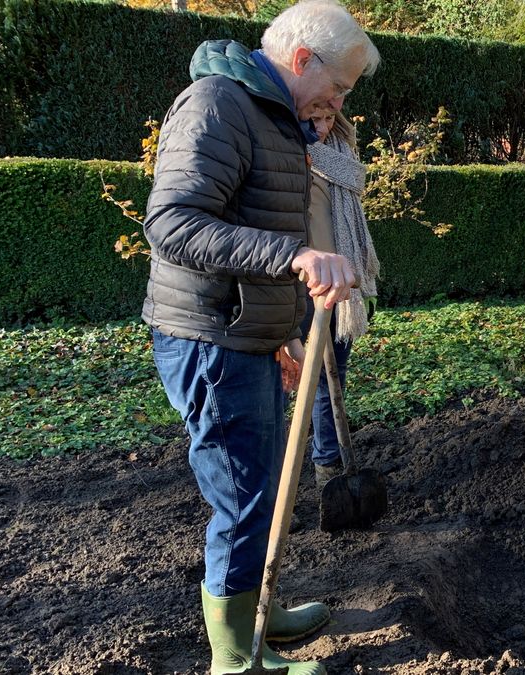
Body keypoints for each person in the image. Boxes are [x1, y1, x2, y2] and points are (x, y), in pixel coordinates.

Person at [142, 1, 379, 672]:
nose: (339, 102)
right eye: (338, 86)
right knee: (243, 495)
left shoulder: (272, 116)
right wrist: (295, 257)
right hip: (210, 340)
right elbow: (173, 224)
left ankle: (255, 612)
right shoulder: (218, 105)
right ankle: (235, 657)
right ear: (302, 60)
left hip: (245, 334)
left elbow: (261, 219)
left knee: (266, 486)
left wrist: (280, 332)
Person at [302, 108, 381, 489]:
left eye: (330, 117)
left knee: (331, 378)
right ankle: (277, 475)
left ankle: (328, 466)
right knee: (284, 381)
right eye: (314, 118)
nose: (322, 127)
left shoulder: (340, 152)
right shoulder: (284, 153)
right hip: (297, 284)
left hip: (340, 287)